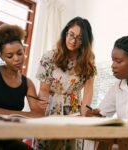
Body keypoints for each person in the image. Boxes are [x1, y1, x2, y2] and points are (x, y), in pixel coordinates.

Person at [35, 17, 97, 150]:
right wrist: (42, 109)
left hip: (74, 110)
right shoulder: (49, 56)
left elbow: (88, 90)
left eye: (79, 38)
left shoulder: (89, 58)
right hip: (52, 107)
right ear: (65, 33)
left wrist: (83, 115)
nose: (73, 41)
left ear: (85, 41)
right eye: (71, 35)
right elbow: (44, 90)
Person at [85, 35, 128, 150]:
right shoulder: (117, 87)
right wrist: (95, 115)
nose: (113, 65)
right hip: (126, 145)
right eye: (113, 60)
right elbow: (102, 112)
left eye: (118, 61)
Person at [0, 24, 44, 150]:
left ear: (24, 51)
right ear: (2, 57)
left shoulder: (27, 83)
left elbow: (38, 114)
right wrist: (20, 115)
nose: (17, 59)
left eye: (19, 53)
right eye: (10, 56)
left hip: (8, 137)